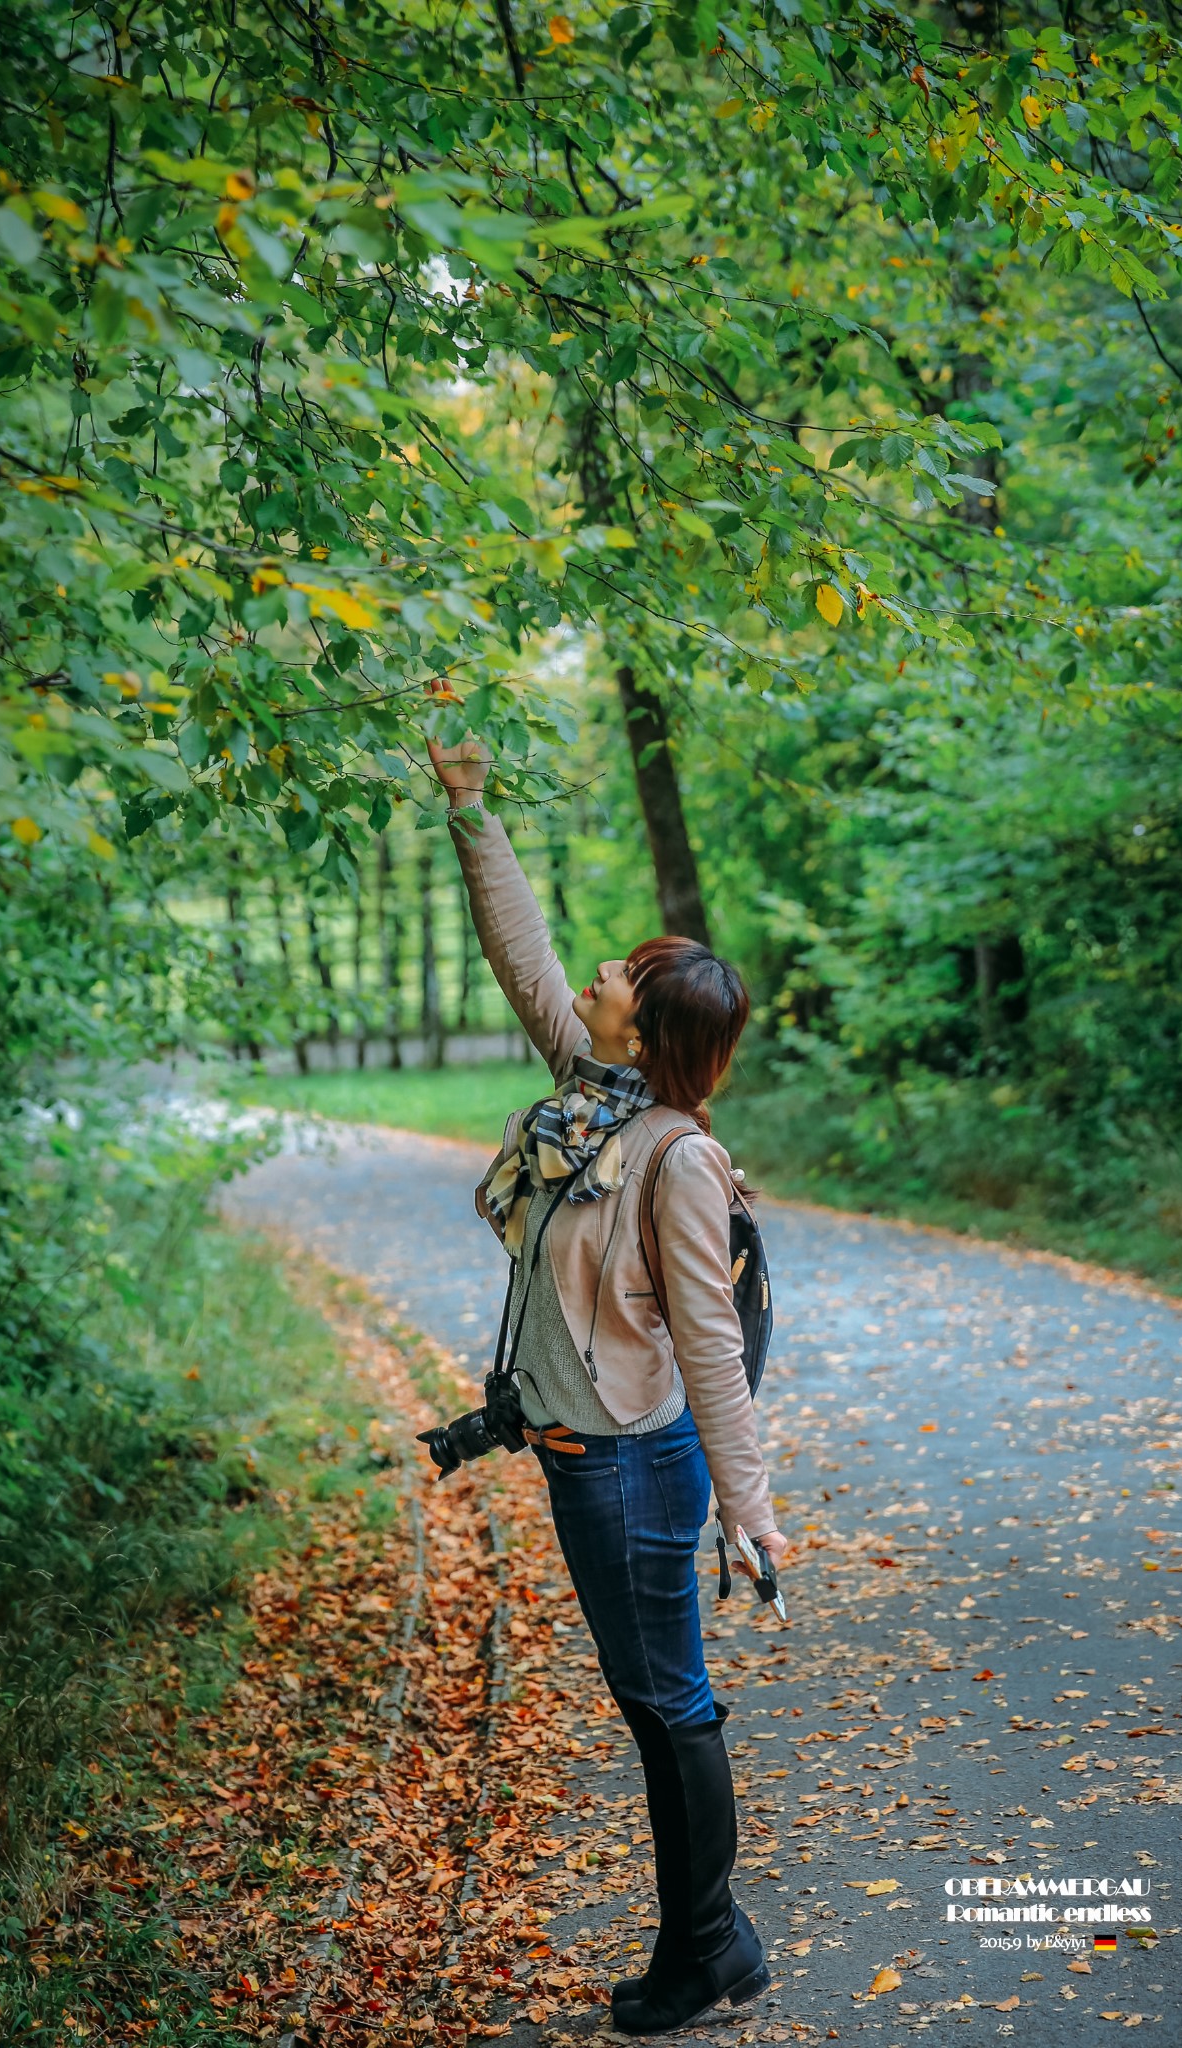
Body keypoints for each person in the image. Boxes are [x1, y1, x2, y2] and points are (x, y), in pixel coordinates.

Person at [427, 726, 789, 2036]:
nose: (590, 975)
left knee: (666, 1699)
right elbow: (521, 952)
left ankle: (709, 1951)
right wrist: (470, 805)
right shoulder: (589, 1096)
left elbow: (705, 1336)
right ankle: (714, 1944)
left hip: (635, 1462)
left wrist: (747, 1509)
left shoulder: (675, 1157)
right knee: (656, 1698)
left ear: (649, 1031)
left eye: (618, 978)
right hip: (587, 1459)